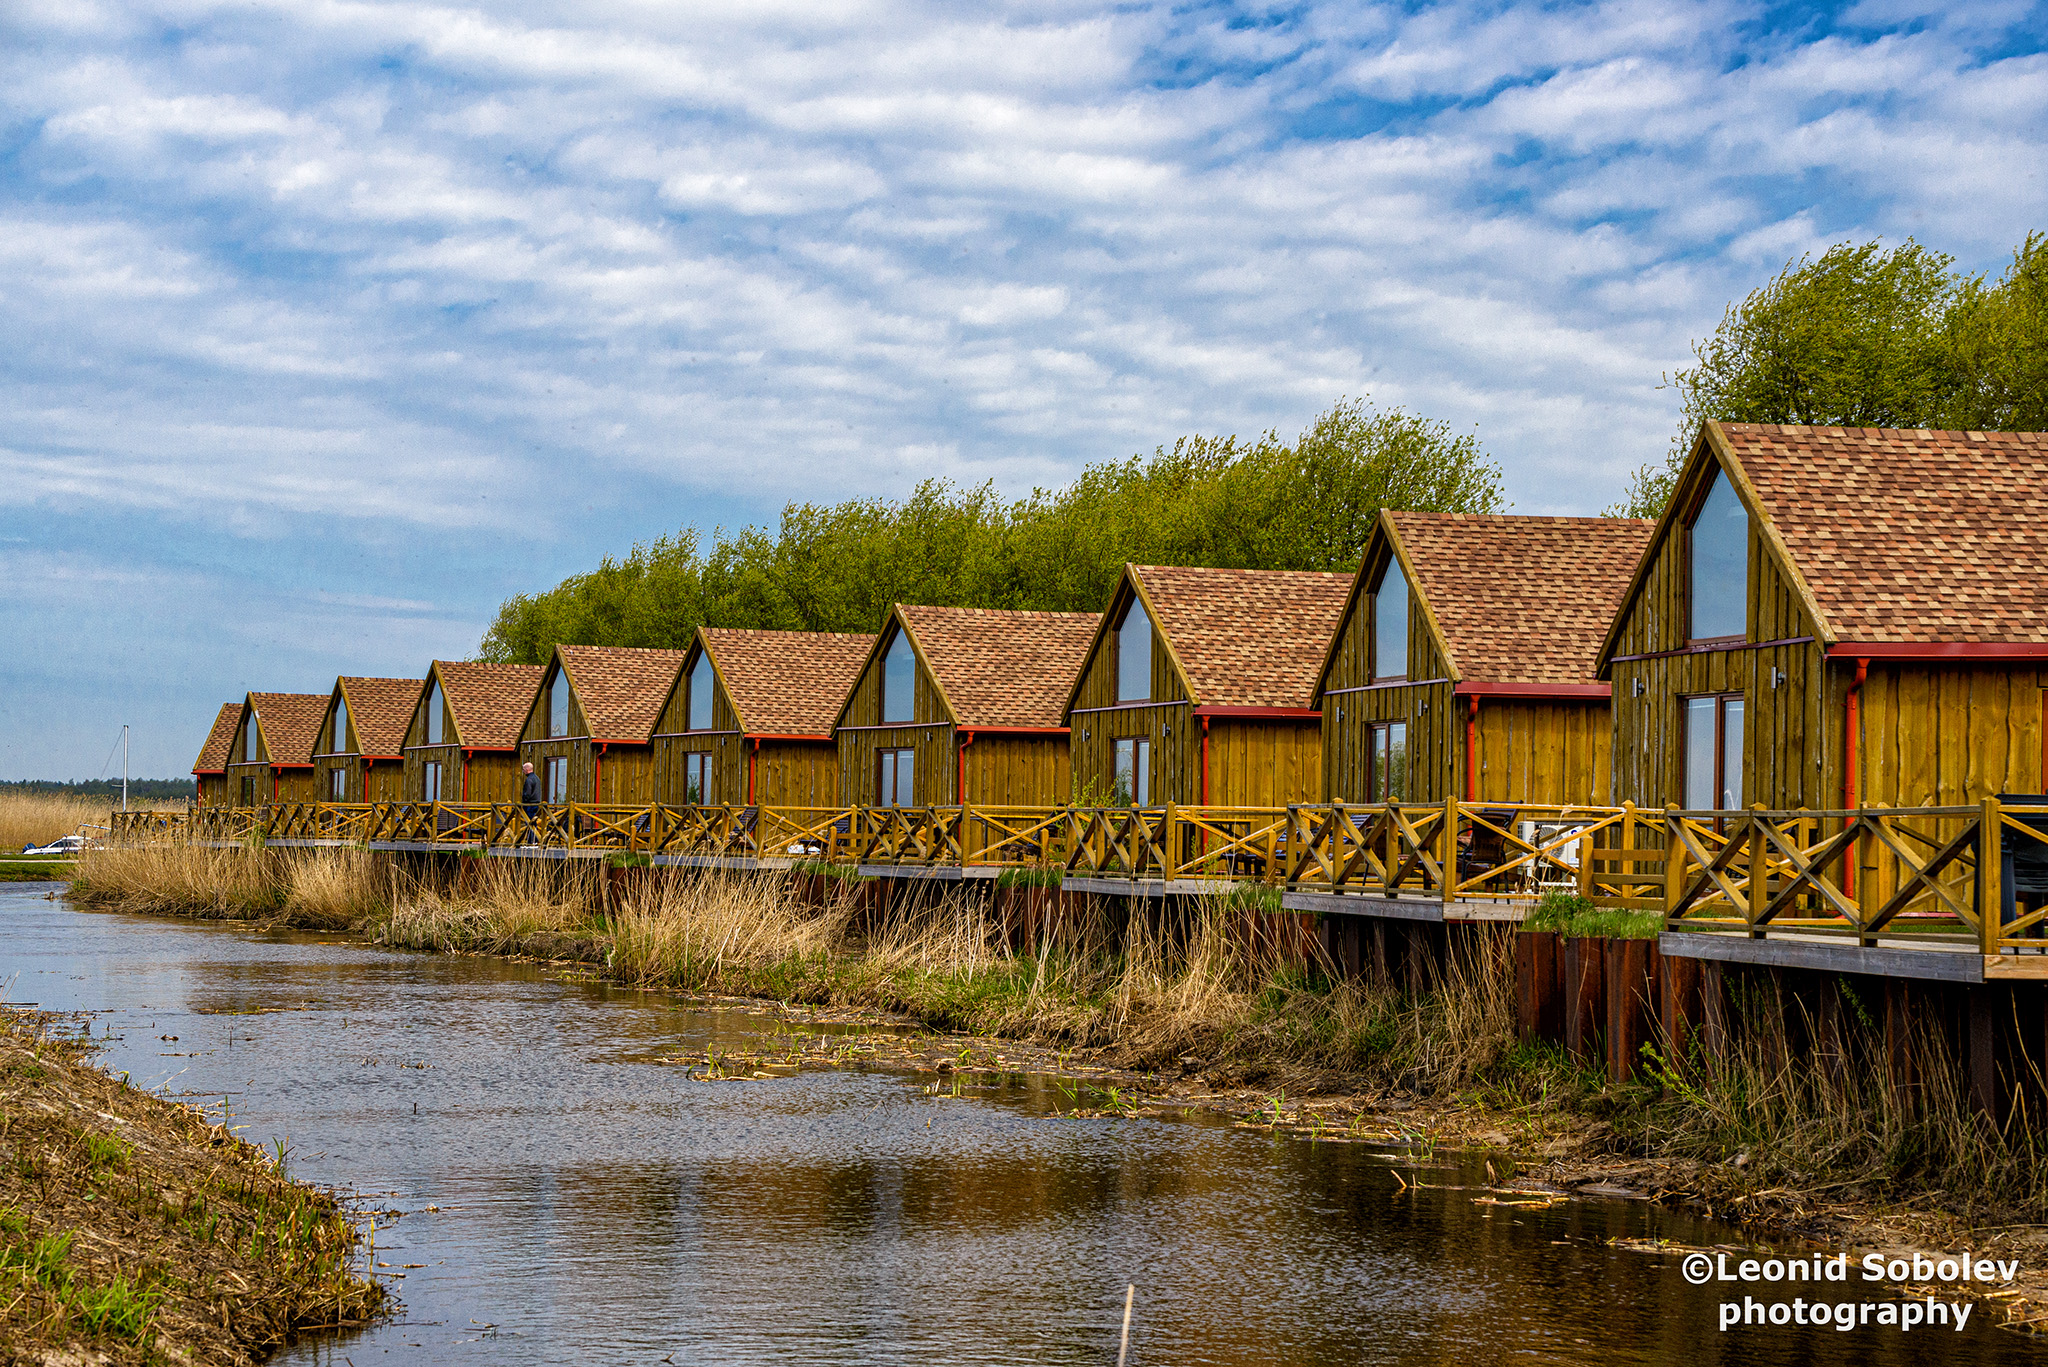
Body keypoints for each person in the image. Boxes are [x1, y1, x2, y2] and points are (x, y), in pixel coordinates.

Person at [520, 762, 540, 843]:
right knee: (533, 823)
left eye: (523, 769)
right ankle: (535, 840)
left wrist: (523, 802)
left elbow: (527, 793)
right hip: (536, 804)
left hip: (529, 804)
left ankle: (531, 841)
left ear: (527, 769)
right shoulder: (537, 778)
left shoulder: (529, 780)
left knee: (529, 823)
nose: (523, 771)